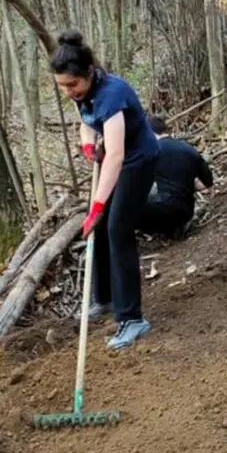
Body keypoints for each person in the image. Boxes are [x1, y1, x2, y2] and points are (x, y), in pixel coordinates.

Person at [51, 29, 159, 350]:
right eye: (63, 86)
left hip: (138, 161)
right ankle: (105, 299)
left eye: (73, 84)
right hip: (117, 162)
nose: (69, 91)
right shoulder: (83, 93)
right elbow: (86, 122)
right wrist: (86, 147)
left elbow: (116, 155)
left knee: (116, 229)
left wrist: (97, 205)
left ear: (89, 73)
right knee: (99, 227)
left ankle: (132, 319)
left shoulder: (112, 93)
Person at [138, 115, 213, 238]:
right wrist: (187, 184)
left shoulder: (150, 152)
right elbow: (208, 182)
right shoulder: (189, 150)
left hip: (160, 208)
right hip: (185, 211)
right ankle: (173, 229)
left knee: (124, 209)